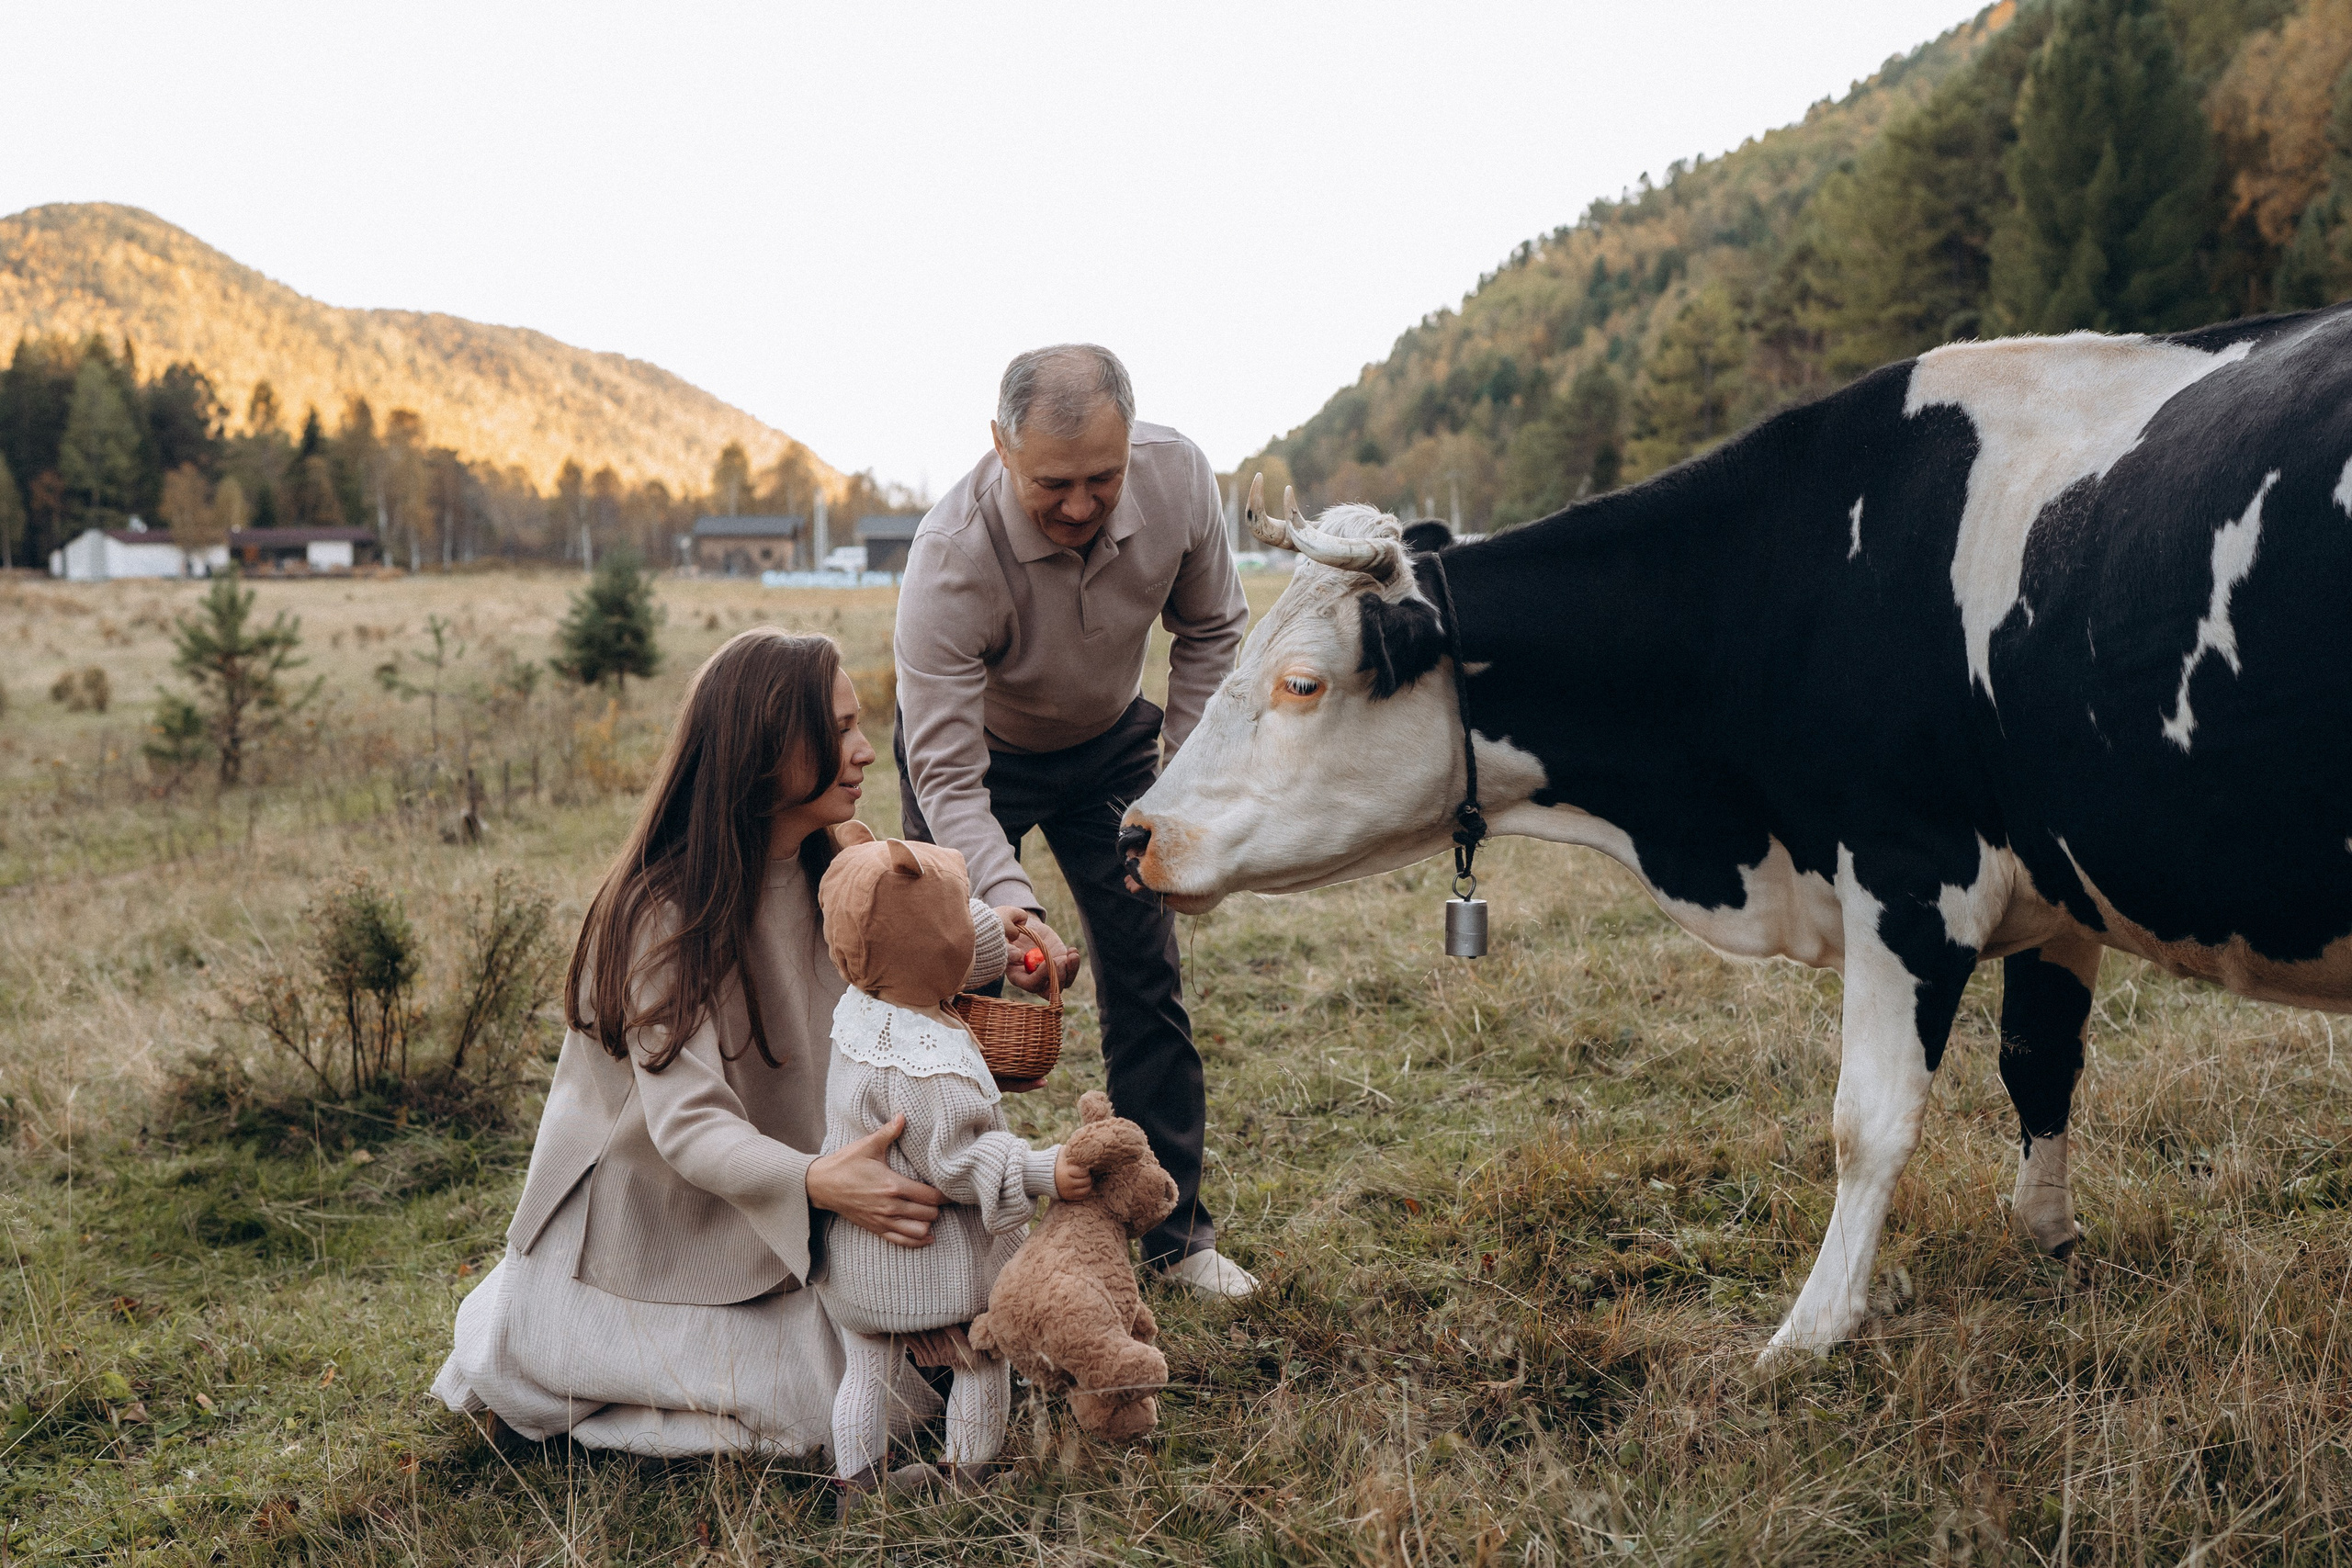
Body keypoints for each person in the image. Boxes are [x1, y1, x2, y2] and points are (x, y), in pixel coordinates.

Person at [431, 628, 1023, 1456]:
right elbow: (690, 1125)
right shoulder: (660, 914)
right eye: (840, 731)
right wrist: (818, 1181)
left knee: (929, 1372)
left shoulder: (835, 866)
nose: (864, 751)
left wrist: (1004, 944)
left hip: (794, 1204)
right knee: (839, 1408)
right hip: (656, 1228)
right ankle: (578, 1383)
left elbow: (908, 936)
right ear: (767, 751)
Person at [893, 343, 1254, 1296]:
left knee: (1145, 976)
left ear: (1131, 443)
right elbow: (945, 771)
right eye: (1053, 484)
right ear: (1001, 447)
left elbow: (1213, 626)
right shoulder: (949, 555)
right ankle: (947, 1243)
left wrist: (1180, 787)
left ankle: (1176, 1239)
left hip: (1110, 748)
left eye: (1104, 476)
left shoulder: (1181, 477)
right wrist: (1010, 907)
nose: (1083, 505)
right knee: (943, 993)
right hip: (976, 760)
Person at [813, 826, 1091, 1511]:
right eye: (962, 917)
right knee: (981, 1358)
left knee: (866, 1368)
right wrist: (1042, 1170)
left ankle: (857, 1485)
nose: (970, 926)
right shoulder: (929, 1066)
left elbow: (928, 950)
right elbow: (960, 1161)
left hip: (860, 1262)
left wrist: (996, 928)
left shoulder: (864, 1009)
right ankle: (968, 1477)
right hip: (932, 1263)